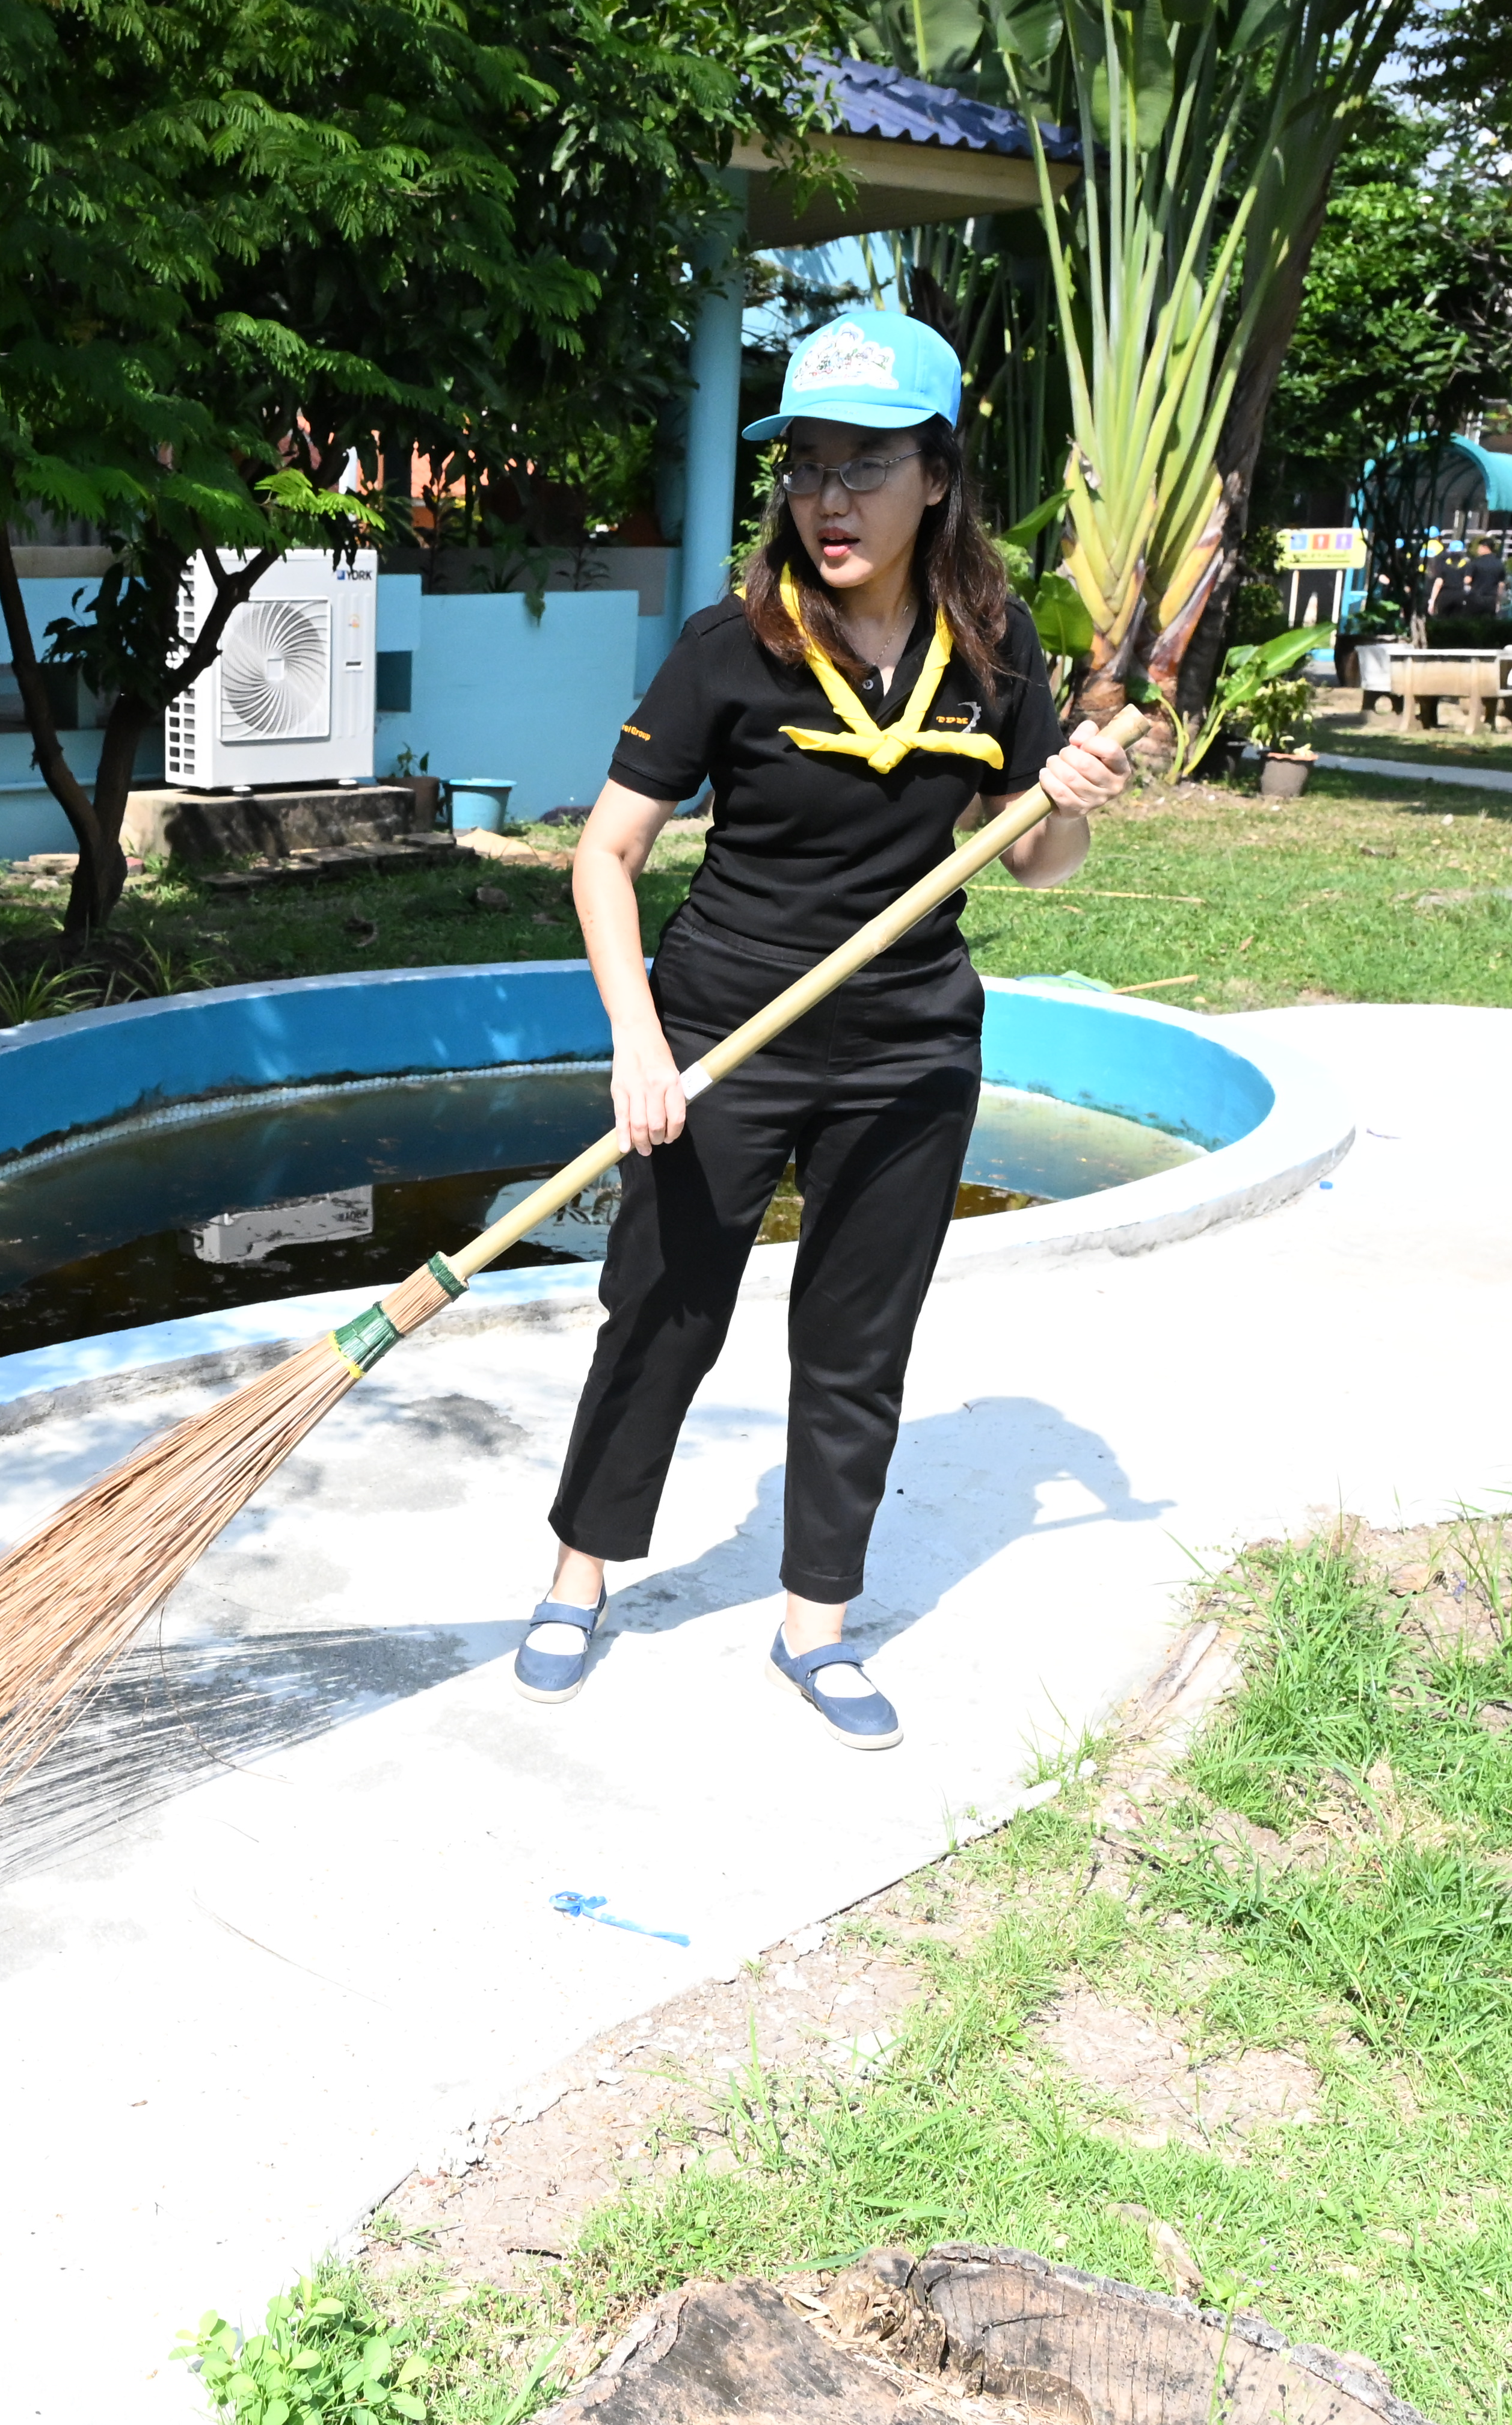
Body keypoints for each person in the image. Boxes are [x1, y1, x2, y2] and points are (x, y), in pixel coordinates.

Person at [512, 309, 1133, 1748]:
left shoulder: (996, 651)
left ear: (937, 477)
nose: (829, 498)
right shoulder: (731, 650)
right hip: (724, 1031)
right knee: (661, 1311)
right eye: (804, 466)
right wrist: (637, 1042)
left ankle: (818, 1622)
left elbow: (1029, 861)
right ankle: (581, 1574)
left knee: (859, 1338)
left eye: (866, 464)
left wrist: (1070, 806)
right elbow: (602, 856)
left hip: (910, 1048)